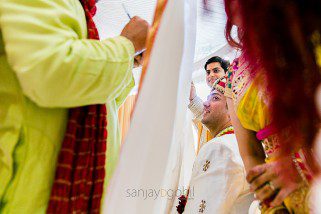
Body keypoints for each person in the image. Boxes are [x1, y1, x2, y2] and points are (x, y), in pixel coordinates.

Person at [0, 0, 149, 213]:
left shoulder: (79, 13)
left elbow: (95, 103)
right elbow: (51, 73)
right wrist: (127, 45)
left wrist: (128, 59)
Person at [221, 0, 320, 212]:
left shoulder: (311, 33)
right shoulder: (235, 71)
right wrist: (271, 203)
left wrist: (301, 167)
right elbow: (251, 154)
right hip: (282, 200)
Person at [183, 77, 253, 213]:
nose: (205, 104)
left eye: (215, 98)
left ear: (233, 110)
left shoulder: (221, 148)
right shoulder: (241, 145)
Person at [188, 56, 229, 151]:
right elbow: (203, 124)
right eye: (208, 72)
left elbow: (215, 121)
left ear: (226, 73)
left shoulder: (232, 95)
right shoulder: (208, 100)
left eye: (216, 70)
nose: (211, 75)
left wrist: (193, 99)